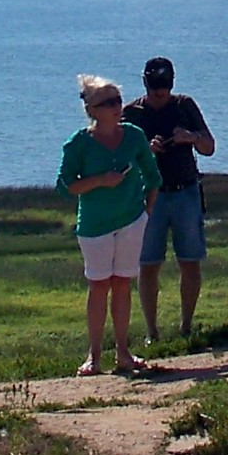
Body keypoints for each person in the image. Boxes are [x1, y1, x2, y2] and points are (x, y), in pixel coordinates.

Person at [58, 74, 160, 377]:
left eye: (118, 100)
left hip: (131, 221)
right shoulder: (78, 144)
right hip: (95, 226)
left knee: (122, 284)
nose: (117, 107)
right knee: (99, 286)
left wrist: (146, 213)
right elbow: (65, 186)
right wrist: (100, 181)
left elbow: (153, 177)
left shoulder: (134, 136)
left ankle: (123, 352)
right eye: (108, 102)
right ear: (92, 110)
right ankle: (94, 355)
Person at [123, 55, 216, 341]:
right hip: (150, 196)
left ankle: (186, 327)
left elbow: (209, 147)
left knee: (190, 261)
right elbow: (121, 160)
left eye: (163, 88)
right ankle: (152, 333)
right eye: (154, 89)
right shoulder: (132, 113)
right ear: (145, 85)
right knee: (148, 265)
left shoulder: (184, 106)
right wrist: (146, 151)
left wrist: (190, 137)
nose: (159, 94)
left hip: (185, 191)